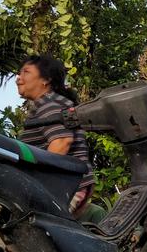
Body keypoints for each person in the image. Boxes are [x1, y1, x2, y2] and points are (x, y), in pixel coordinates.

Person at [16, 55, 105, 223]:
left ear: (46, 80)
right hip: (71, 186)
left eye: (26, 72)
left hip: (65, 187)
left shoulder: (49, 104)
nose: (19, 78)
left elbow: (62, 142)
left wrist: (40, 186)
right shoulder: (51, 103)